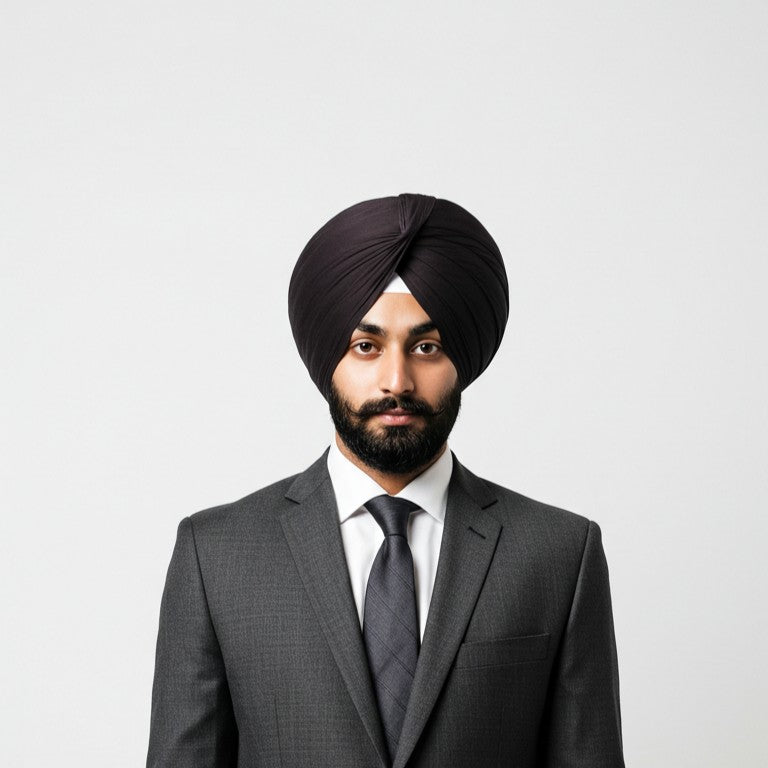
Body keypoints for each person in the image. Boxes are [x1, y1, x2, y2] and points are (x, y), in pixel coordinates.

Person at [146, 194, 625, 768]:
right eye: (366, 346)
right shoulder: (216, 553)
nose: (396, 380)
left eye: (426, 347)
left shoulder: (557, 554)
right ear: (329, 359)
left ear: (462, 361)